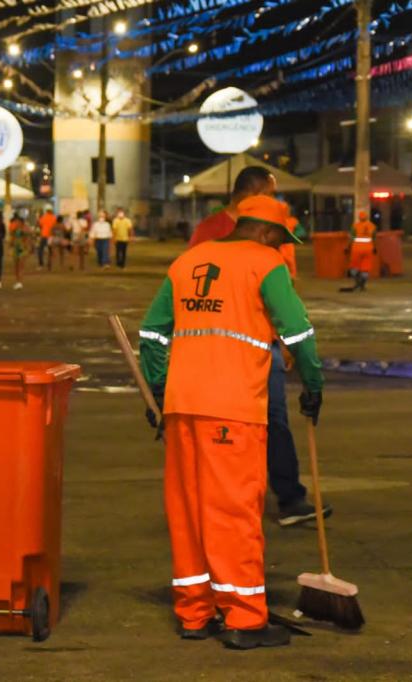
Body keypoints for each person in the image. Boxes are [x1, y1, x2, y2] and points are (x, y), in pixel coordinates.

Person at [139, 196, 323, 649]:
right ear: (266, 232)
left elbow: (152, 332)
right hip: (233, 408)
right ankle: (244, 618)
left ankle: (195, 613)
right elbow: (298, 330)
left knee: (188, 510)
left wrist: (158, 389)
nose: (281, 247)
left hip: (182, 406)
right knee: (234, 512)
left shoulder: (188, 261)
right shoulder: (265, 263)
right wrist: (313, 383)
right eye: (280, 238)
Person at [188, 170, 326, 526]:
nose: (276, 200)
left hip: (263, 343)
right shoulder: (212, 231)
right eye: (271, 193)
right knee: (225, 425)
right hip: (221, 349)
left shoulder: (270, 236)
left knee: (273, 419)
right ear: (254, 192)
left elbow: (283, 302)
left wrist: (285, 340)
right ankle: (226, 501)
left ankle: (289, 496)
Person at [190, 167, 277, 247]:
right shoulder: (208, 230)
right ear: (250, 195)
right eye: (270, 194)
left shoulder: (267, 232)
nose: (273, 200)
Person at [341, 211, 376, 293]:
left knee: (354, 267)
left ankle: (358, 283)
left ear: (359, 218)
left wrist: (347, 247)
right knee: (365, 268)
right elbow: (374, 239)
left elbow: (351, 238)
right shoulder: (372, 226)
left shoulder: (355, 226)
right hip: (368, 249)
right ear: (367, 217)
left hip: (356, 249)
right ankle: (362, 285)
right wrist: (374, 248)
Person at [8, 212, 32, 290]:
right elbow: (12, 239)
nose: (16, 223)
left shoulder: (25, 229)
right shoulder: (15, 230)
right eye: (16, 221)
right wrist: (10, 246)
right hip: (16, 248)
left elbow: (28, 239)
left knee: (21, 266)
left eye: (18, 221)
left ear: (21, 222)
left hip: (22, 249)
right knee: (16, 266)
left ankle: (20, 282)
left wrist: (28, 248)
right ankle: (17, 281)